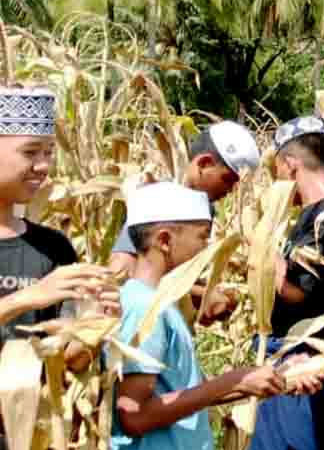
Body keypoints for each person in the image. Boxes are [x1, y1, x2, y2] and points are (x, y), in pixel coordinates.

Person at [109, 182, 286, 450]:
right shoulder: (143, 308)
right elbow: (135, 416)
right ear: (165, 240)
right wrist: (232, 382)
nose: (207, 248)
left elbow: (185, 392)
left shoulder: (160, 302)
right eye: (202, 238)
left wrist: (270, 380)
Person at [0, 86, 119, 450]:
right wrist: (24, 299)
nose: (43, 166)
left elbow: (70, 360)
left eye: (49, 152)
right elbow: (33, 300)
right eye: (30, 152)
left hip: (36, 444)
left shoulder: (54, 248)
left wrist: (93, 325)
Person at [242, 116, 324, 450]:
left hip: (305, 362)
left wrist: (259, 246)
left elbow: (297, 292)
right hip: (301, 358)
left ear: (289, 164)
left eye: (275, 169)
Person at [108, 121, 261, 325]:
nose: (231, 190)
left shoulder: (206, 210)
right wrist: (201, 295)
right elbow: (122, 273)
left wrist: (205, 298)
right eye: (228, 179)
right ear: (204, 164)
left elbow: (177, 274)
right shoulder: (157, 200)